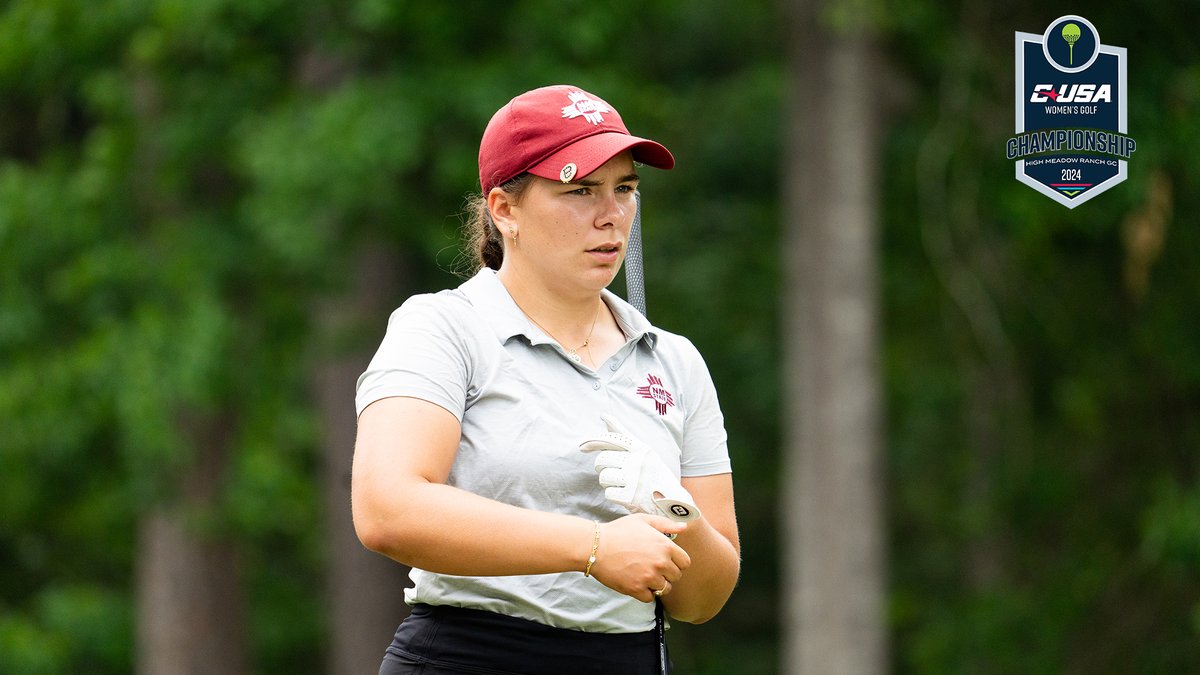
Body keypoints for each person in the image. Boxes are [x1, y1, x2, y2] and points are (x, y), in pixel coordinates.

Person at [352, 84, 740, 675]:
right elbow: (387, 509)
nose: (611, 215)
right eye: (579, 190)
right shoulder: (444, 328)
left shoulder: (675, 361)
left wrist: (675, 513)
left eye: (625, 189)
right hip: (471, 656)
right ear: (504, 209)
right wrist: (592, 548)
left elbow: (703, 600)